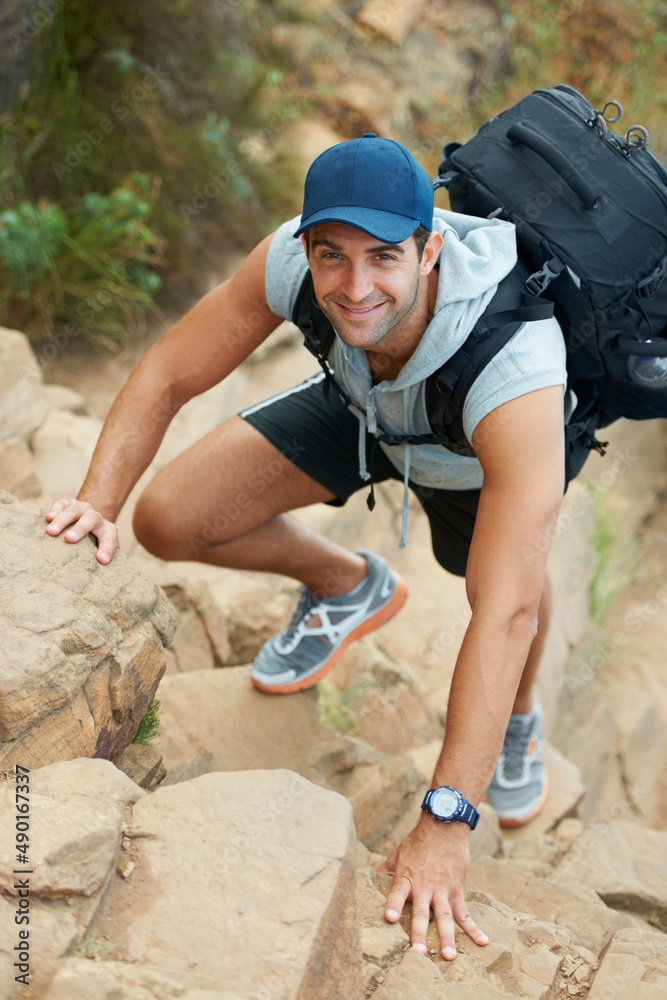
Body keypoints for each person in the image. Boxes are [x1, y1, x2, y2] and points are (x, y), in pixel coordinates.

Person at [45, 134, 566, 961]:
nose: (354, 287)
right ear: (305, 245)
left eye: (383, 257)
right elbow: (169, 373)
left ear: (430, 248)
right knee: (168, 519)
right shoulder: (288, 263)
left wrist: (446, 818)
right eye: (331, 255)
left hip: (472, 452)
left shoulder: (517, 372)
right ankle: (347, 585)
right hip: (367, 413)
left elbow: (503, 614)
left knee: (500, 583)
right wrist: (95, 504)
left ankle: (518, 722)